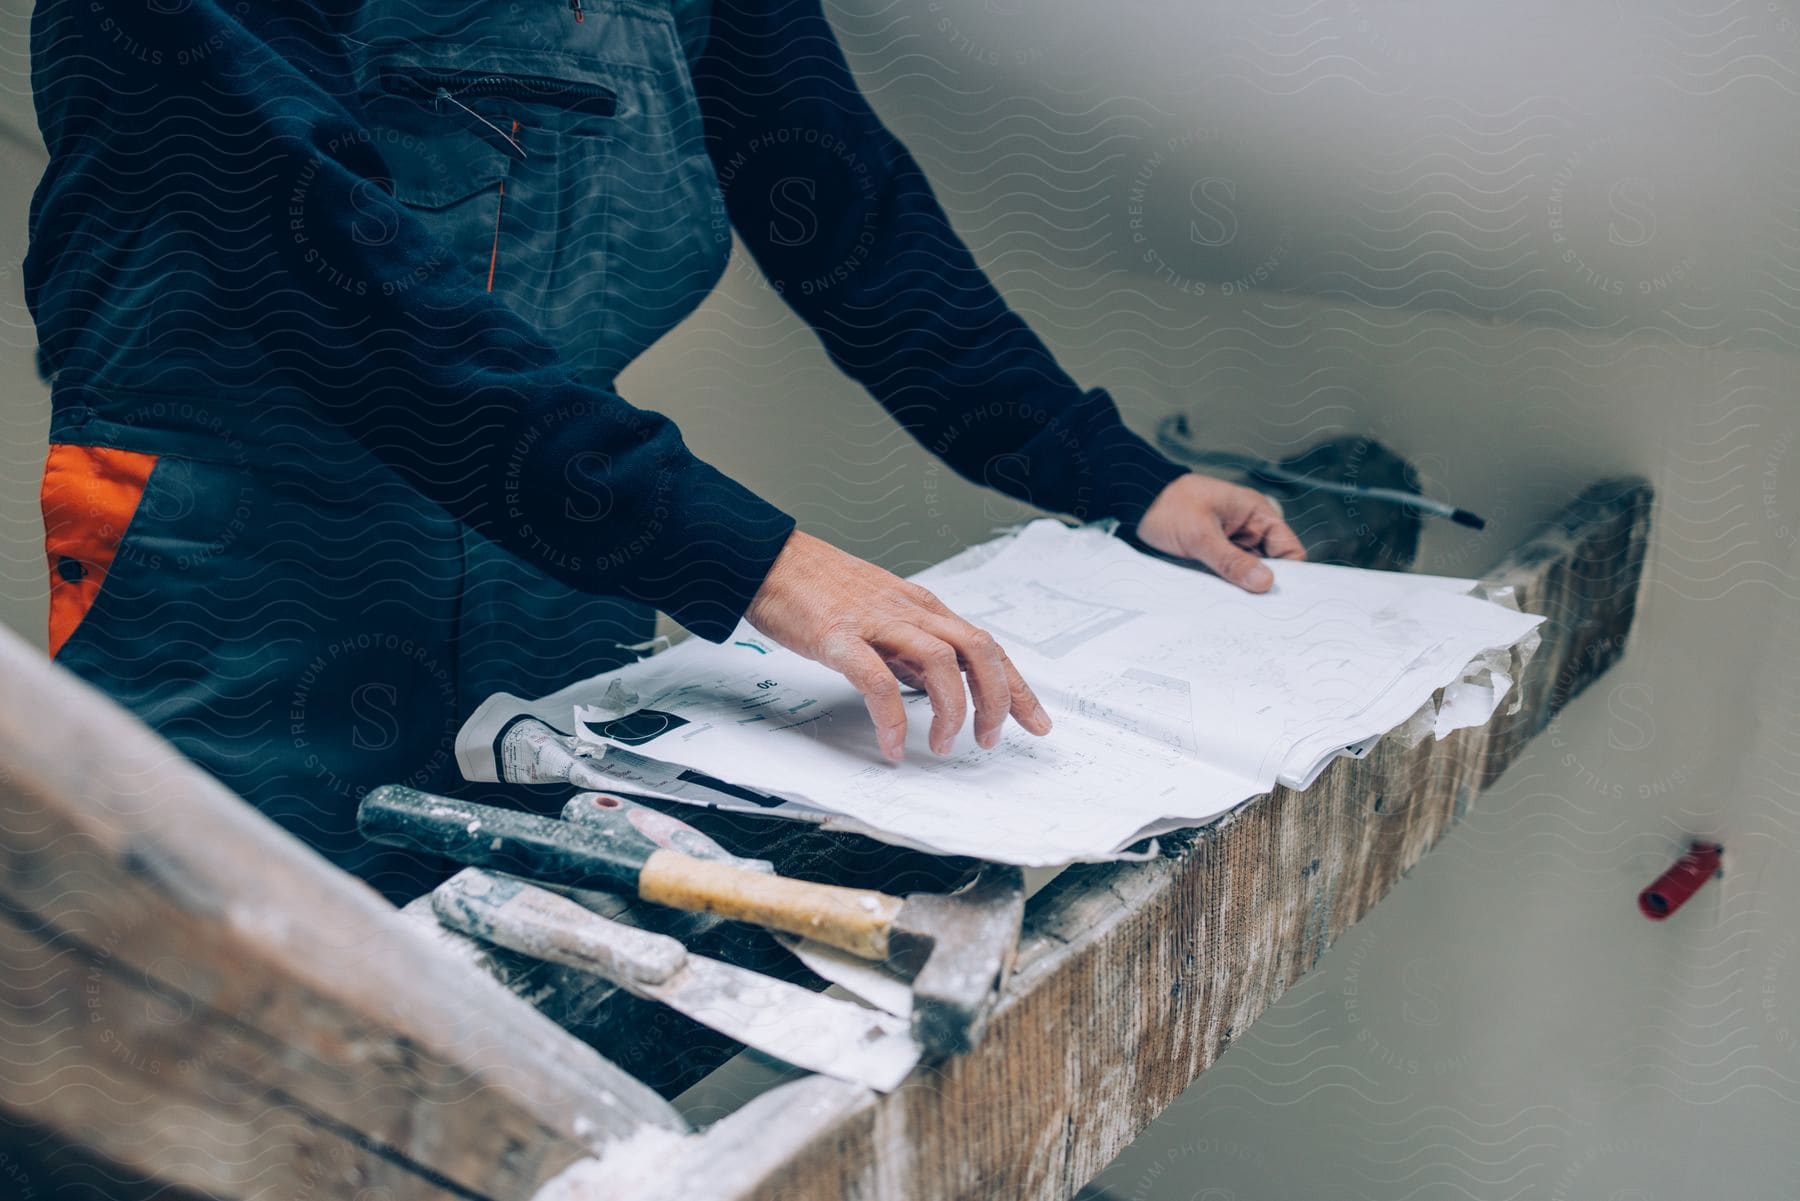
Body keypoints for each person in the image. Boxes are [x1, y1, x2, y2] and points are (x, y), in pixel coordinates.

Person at [27, 0, 1302, 899]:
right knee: (211, 1001)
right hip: (244, 564)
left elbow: (848, 218)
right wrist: (771, 566)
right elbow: (329, 275)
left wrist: (1124, 477)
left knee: (542, 987)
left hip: (552, 548)